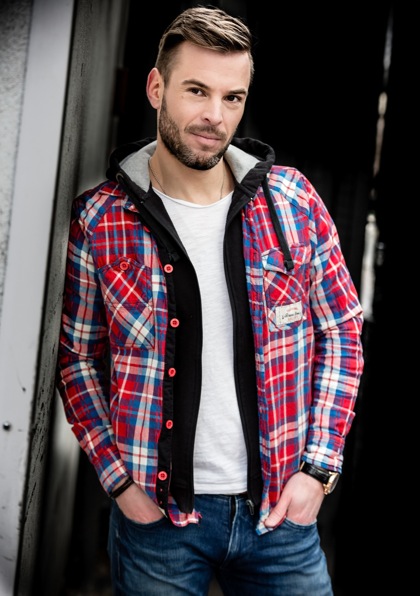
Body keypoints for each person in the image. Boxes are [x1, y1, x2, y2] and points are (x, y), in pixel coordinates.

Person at [56, 5, 364, 595]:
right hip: (158, 525)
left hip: (280, 516)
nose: (214, 116)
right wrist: (121, 482)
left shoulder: (292, 202)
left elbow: (342, 332)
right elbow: (77, 358)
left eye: (232, 97)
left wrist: (318, 470)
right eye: (197, 91)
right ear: (156, 88)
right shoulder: (100, 220)